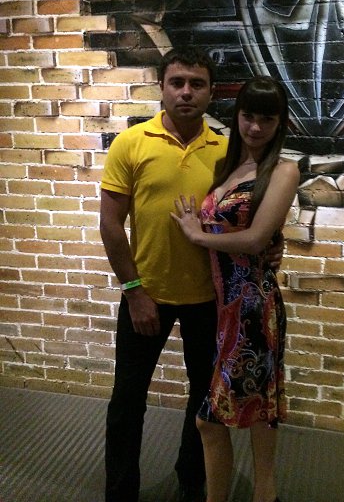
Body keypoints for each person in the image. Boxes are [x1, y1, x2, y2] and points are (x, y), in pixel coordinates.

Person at [100, 47, 283, 502]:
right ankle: (120, 492)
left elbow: (247, 217)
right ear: (162, 87)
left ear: (210, 92)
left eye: (196, 84)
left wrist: (270, 245)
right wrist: (134, 291)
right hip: (147, 295)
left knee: (204, 401)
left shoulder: (226, 152)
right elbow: (110, 224)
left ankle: (192, 481)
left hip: (210, 300)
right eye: (177, 82)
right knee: (127, 402)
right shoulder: (131, 143)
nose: (186, 92)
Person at [171, 76, 300, 502]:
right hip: (221, 304)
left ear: (280, 123)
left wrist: (198, 235)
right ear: (237, 116)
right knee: (257, 409)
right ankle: (266, 494)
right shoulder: (229, 168)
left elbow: (256, 239)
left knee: (212, 420)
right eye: (248, 116)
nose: (255, 127)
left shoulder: (283, 170)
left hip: (252, 307)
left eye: (267, 119)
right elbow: (250, 232)